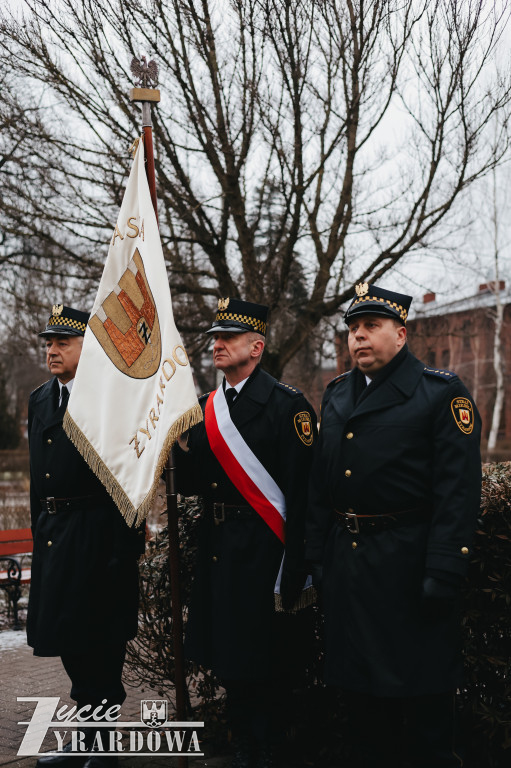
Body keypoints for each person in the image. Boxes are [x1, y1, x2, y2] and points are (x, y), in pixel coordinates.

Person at [306, 283, 482, 768]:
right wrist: (318, 557)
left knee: (423, 702)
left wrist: (444, 570)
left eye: (372, 327)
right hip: (350, 568)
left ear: (400, 335)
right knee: (360, 704)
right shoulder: (338, 394)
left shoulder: (439, 393)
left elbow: (458, 491)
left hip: (408, 567)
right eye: (353, 329)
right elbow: (321, 488)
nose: (359, 337)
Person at [175, 298, 316, 768]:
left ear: (256, 347)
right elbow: (191, 484)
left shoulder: (288, 406)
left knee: (269, 661)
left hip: (265, 551)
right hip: (220, 552)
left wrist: (296, 565)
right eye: (215, 338)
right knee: (231, 660)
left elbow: (303, 496)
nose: (216, 345)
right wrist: (171, 452)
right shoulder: (205, 408)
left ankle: (271, 748)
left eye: (228, 338)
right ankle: (244, 746)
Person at [27, 305, 145, 768]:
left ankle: (103, 747)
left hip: (98, 534)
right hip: (56, 535)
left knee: (100, 643)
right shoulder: (40, 399)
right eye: (49, 344)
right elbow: (40, 478)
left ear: (88, 348)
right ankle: (87, 740)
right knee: (69, 640)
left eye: (63, 343)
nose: (53, 351)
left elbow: (131, 478)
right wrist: (40, 529)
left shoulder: (110, 400)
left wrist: (125, 548)